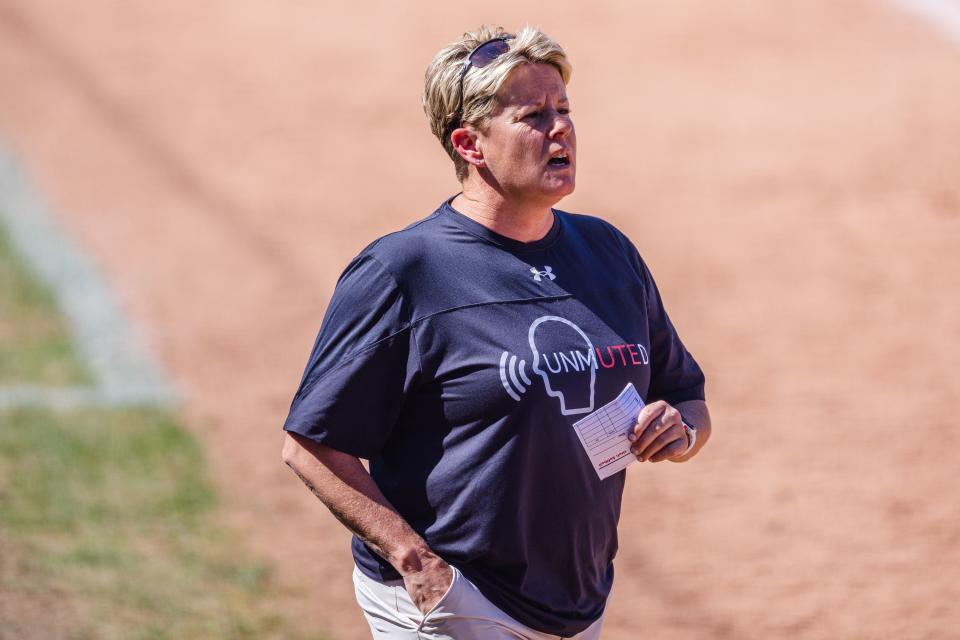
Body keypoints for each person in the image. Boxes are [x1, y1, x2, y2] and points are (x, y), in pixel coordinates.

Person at [281, 24, 711, 640]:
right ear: (470, 144)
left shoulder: (608, 255)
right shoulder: (406, 272)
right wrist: (415, 561)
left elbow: (686, 393)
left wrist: (681, 430)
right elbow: (311, 444)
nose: (560, 128)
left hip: (577, 597)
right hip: (459, 597)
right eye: (534, 116)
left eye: (563, 109)